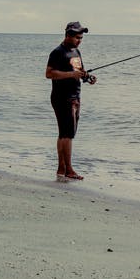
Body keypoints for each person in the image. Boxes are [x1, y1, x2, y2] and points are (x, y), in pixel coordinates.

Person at [46, 21, 97, 182]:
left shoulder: (76, 52)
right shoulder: (57, 52)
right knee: (67, 134)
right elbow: (49, 74)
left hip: (75, 96)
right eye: (77, 37)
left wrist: (88, 78)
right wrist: (70, 75)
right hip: (62, 97)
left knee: (65, 134)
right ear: (68, 35)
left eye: (81, 37)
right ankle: (69, 169)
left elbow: (79, 72)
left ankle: (62, 168)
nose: (79, 40)